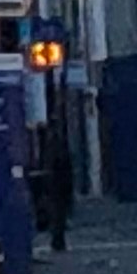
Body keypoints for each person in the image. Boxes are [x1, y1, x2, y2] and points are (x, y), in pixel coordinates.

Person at [28, 99, 78, 255]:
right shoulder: (56, 143)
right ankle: (57, 240)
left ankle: (57, 240)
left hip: (56, 182)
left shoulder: (51, 144)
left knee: (57, 211)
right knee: (58, 212)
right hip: (58, 182)